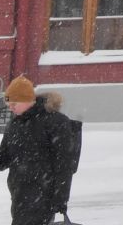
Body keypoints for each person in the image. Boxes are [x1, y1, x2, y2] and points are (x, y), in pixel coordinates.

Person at [0, 76, 68, 225]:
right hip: (19, 192)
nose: (10, 107)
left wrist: (61, 197)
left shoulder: (54, 122)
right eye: (8, 104)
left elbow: (64, 164)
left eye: (14, 103)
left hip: (43, 192)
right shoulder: (14, 125)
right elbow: (5, 157)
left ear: (28, 100)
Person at [42, 91, 81, 224]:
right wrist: (61, 198)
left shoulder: (50, 123)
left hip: (43, 183)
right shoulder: (61, 121)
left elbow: (64, 161)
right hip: (51, 182)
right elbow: (67, 163)